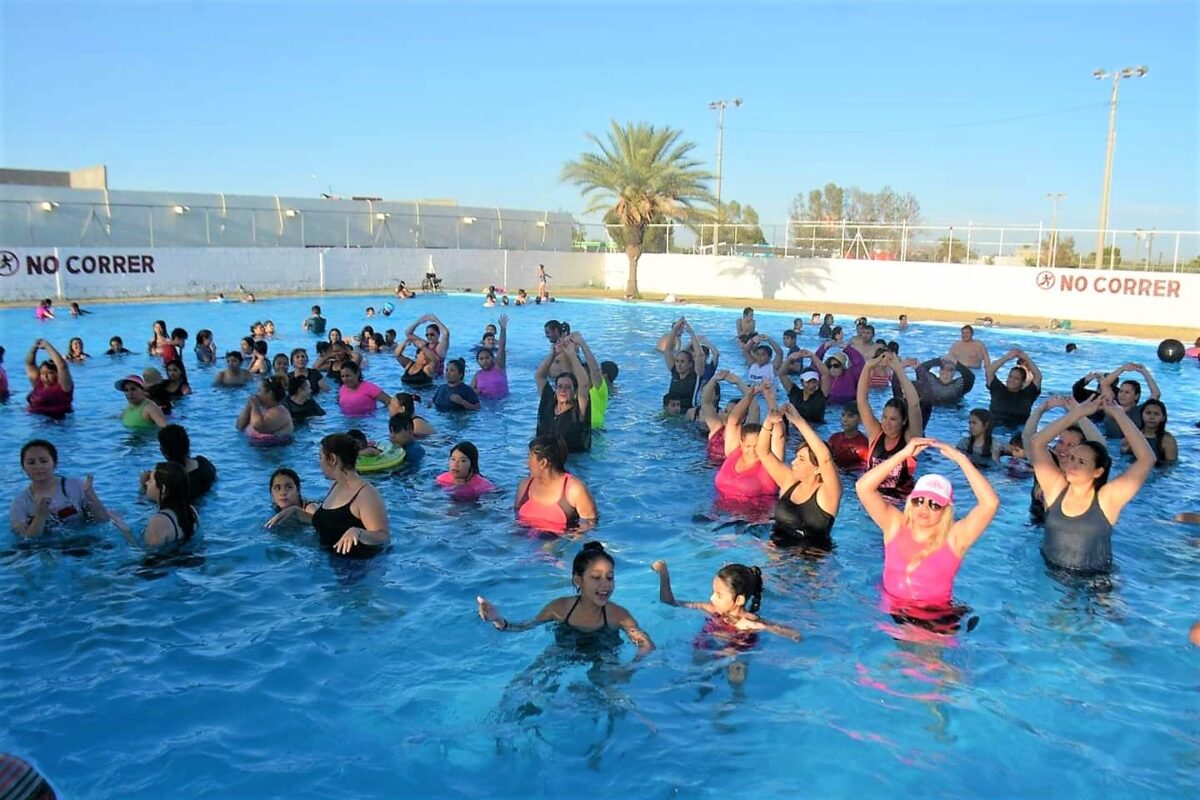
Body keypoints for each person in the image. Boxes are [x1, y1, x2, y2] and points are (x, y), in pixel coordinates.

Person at [857, 439, 999, 619]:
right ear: (910, 502)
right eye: (919, 500)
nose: (924, 508)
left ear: (946, 509)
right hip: (890, 611)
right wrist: (903, 454)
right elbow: (863, 487)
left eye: (934, 504)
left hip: (933, 618)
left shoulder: (955, 538)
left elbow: (990, 503)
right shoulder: (895, 525)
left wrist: (962, 459)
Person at [1030, 396, 1155, 573]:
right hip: (1051, 573)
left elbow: (1147, 459)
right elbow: (1036, 442)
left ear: (1097, 472)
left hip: (1094, 580)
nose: (1072, 465)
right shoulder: (1055, 489)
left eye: (1081, 462)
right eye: (1072, 458)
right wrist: (1077, 413)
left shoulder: (1106, 499)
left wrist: (1119, 414)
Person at [476, 541, 653, 655]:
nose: (605, 585)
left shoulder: (618, 615)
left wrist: (632, 666)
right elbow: (525, 627)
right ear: (578, 581)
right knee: (529, 681)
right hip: (565, 650)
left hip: (603, 653)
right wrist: (497, 620)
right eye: (596, 577)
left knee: (608, 686)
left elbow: (645, 644)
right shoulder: (559, 608)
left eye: (610, 577)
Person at [268, 434, 390, 557]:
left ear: (332, 459)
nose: (319, 463)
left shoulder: (366, 494)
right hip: (330, 560)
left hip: (358, 565)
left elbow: (383, 536)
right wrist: (296, 512)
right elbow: (330, 523)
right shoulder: (335, 486)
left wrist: (358, 533)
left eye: (320, 457)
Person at [757, 404, 842, 550]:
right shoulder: (789, 481)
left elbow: (825, 459)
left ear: (817, 468)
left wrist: (799, 421)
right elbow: (763, 452)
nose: (793, 462)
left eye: (801, 459)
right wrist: (768, 422)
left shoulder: (828, 494)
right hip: (776, 549)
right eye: (796, 457)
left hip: (808, 557)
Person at [651, 560, 801, 643]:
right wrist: (664, 575)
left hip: (735, 654)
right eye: (713, 592)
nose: (711, 598)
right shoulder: (712, 609)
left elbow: (794, 634)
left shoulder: (749, 622)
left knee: (734, 664)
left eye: (718, 595)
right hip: (707, 649)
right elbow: (669, 602)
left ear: (739, 600)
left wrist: (759, 626)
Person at [1021, 396, 1106, 521]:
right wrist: (1040, 410)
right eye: (1061, 442)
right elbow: (1028, 437)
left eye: (1071, 445)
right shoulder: (1046, 463)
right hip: (1036, 525)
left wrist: (1080, 413)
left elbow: (1101, 447)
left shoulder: (1085, 472)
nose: (1063, 448)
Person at [10, 439, 114, 537]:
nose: (38, 466)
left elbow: (103, 521)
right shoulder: (20, 502)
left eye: (44, 461)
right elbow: (27, 540)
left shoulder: (76, 486)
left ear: (55, 463)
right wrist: (41, 515)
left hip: (82, 540)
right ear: (23, 467)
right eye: (31, 462)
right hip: (45, 546)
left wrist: (91, 496)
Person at [858, 351, 924, 498]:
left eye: (893, 419)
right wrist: (867, 367)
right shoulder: (876, 433)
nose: (886, 423)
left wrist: (899, 370)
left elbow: (914, 405)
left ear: (904, 421)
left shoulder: (910, 440)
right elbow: (862, 400)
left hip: (899, 502)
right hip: (873, 500)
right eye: (884, 417)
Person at [514, 435, 597, 533]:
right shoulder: (524, 486)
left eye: (529, 457)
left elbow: (589, 525)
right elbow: (515, 518)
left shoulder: (575, 490)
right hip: (524, 537)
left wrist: (566, 539)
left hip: (559, 539)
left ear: (543, 463)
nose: (526, 463)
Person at [109, 462, 198, 549]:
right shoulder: (192, 512)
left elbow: (144, 553)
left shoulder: (159, 522)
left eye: (150, 480)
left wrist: (124, 530)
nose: (146, 483)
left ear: (163, 489)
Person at [714, 384, 779, 502]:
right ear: (741, 443)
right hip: (718, 511)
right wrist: (750, 394)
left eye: (757, 446)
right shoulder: (734, 453)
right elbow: (733, 421)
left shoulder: (771, 464)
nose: (752, 451)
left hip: (753, 513)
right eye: (748, 446)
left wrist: (770, 399)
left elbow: (779, 433)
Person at [534, 334, 591, 453]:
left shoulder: (578, 410)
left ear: (575, 392)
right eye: (559, 387)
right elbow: (540, 376)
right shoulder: (548, 402)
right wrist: (552, 355)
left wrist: (572, 355)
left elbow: (584, 384)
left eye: (568, 387)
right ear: (555, 390)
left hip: (573, 459)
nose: (563, 390)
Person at [905, 354, 975, 428]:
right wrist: (939, 360)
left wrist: (956, 362)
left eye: (950, 370)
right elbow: (922, 368)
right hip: (934, 414)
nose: (945, 373)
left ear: (954, 373)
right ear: (939, 371)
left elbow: (970, 377)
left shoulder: (959, 385)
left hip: (953, 414)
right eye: (942, 369)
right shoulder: (931, 382)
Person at [153, 424, 217, 501]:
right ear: (187, 444)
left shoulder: (171, 482)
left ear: (164, 451)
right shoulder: (205, 464)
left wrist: (144, 488)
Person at [985, 348, 1042, 427]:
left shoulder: (1028, 394)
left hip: (1018, 429)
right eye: (1010, 376)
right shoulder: (998, 389)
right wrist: (1006, 358)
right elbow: (989, 372)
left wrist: (1026, 358)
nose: (1011, 380)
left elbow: (1038, 377)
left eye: (1016, 379)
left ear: (1022, 382)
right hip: (996, 427)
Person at [661, 318, 706, 411]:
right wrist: (674, 330)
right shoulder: (675, 372)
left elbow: (699, 356)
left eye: (682, 362)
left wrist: (691, 332)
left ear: (690, 364)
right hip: (671, 411)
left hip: (687, 413)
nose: (678, 364)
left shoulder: (696, 375)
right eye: (677, 361)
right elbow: (668, 351)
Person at [24, 339, 74, 417]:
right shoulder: (38, 383)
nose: (45, 376)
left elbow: (62, 366)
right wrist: (34, 347)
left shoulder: (64, 387)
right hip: (34, 418)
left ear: (58, 374)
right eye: (42, 373)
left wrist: (47, 346)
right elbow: (29, 364)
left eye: (50, 373)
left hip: (56, 419)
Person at [777, 348, 828, 423]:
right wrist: (789, 359)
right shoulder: (795, 393)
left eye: (814, 381)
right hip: (795, 427)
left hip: (816, 428)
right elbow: (781, 374)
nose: (811, 385)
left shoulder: (821, 395)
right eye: (808, 382)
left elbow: (826, 374)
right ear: (801, 382)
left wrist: (812, 356)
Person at [1120, 398, 1177, 465]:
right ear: (1142, 415)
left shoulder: (1167, 440)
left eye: (1156, 414)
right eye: (1148, 413)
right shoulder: (1132, 436)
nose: (1151, 417)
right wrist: (1124, 449)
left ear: (1163, 418)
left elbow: (1171, 466)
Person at [236, 378, 294, 443]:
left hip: (274, 448)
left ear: (270, 393)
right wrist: (248, 406)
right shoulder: (261, 410)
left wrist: (255, 406)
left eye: (259, 390)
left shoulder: (280, 412)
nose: (256, 394)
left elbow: (258, 426)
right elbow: (239, 426)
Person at [814, 342, 865, 406]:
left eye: (836, 366)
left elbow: (860, 364)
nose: (832, 368)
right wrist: (823, 349)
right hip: (828, 405)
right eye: (829, 366)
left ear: (842, 367)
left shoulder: (851, 376)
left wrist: (848, 349)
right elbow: (815, 365)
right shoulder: (825, 377)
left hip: (846, 404)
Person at [472, 314, 509, 399]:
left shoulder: (499, 367)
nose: (484, 361)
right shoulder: (477, 375)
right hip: (484, 404)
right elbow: (470, 390)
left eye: (487, 358)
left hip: (503, 404)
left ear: (493, 358)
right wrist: (476, 391)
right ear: (478, 361)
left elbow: (502, 347)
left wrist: (503, 329)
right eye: (481, 359)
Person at [828, 405, 870, 471]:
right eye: (843, 415)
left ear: (860, 419)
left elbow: (867, 466)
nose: (845, 420)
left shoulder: (865, 444)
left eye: (850, 416)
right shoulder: (834, 438)